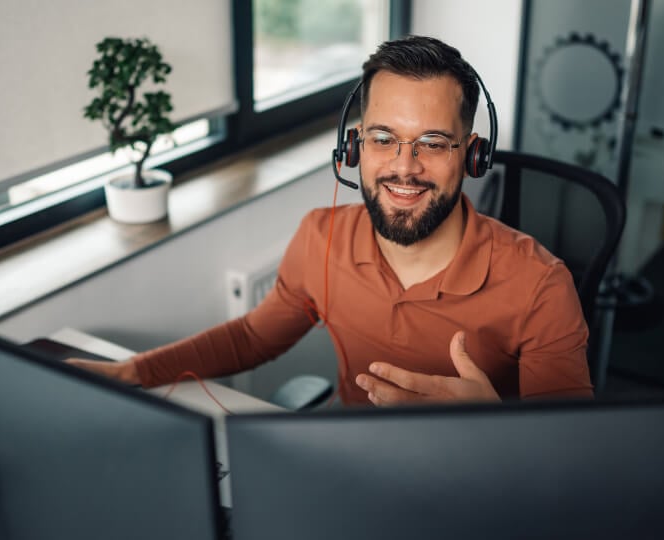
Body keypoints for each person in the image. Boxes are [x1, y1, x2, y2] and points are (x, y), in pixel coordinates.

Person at [70, 35, 593, 406]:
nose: (404, 167)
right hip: (350, 475)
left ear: (474, 155)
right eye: (383, 138)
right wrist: (134, 371)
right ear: (353, 146)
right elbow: (252, 338)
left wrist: (490, 426)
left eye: (433, 143)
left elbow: (575, 462)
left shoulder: (540, 286)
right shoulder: (321, 237)